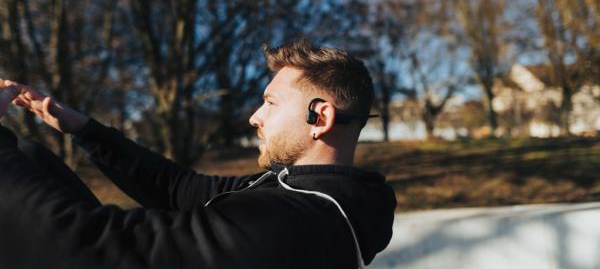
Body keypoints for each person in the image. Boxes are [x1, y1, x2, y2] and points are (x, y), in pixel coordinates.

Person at [0, 41, 396, 269]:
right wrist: (81, 128)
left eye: (270, 103)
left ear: (320, 117)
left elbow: (95, 249)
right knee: (30, 154)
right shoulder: (300, 192)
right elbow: (181, 188)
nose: (254, 117)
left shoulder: (297, 223)